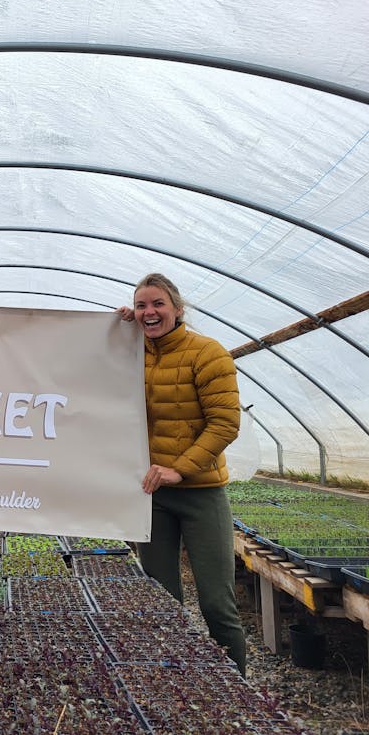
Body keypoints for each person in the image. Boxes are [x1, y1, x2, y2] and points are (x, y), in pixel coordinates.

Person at [118, 273, 247, 676]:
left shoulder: (207, 353)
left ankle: (240, 695)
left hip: (201, 494)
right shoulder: (130, 352)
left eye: (157, 304)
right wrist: (111, 330)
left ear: (177, 308)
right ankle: (177, 683)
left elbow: (225, 423)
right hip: (152, 495)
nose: (149, 312)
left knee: (216, 602)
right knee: (161, 597)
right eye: (141, 305)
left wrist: (180, 469)